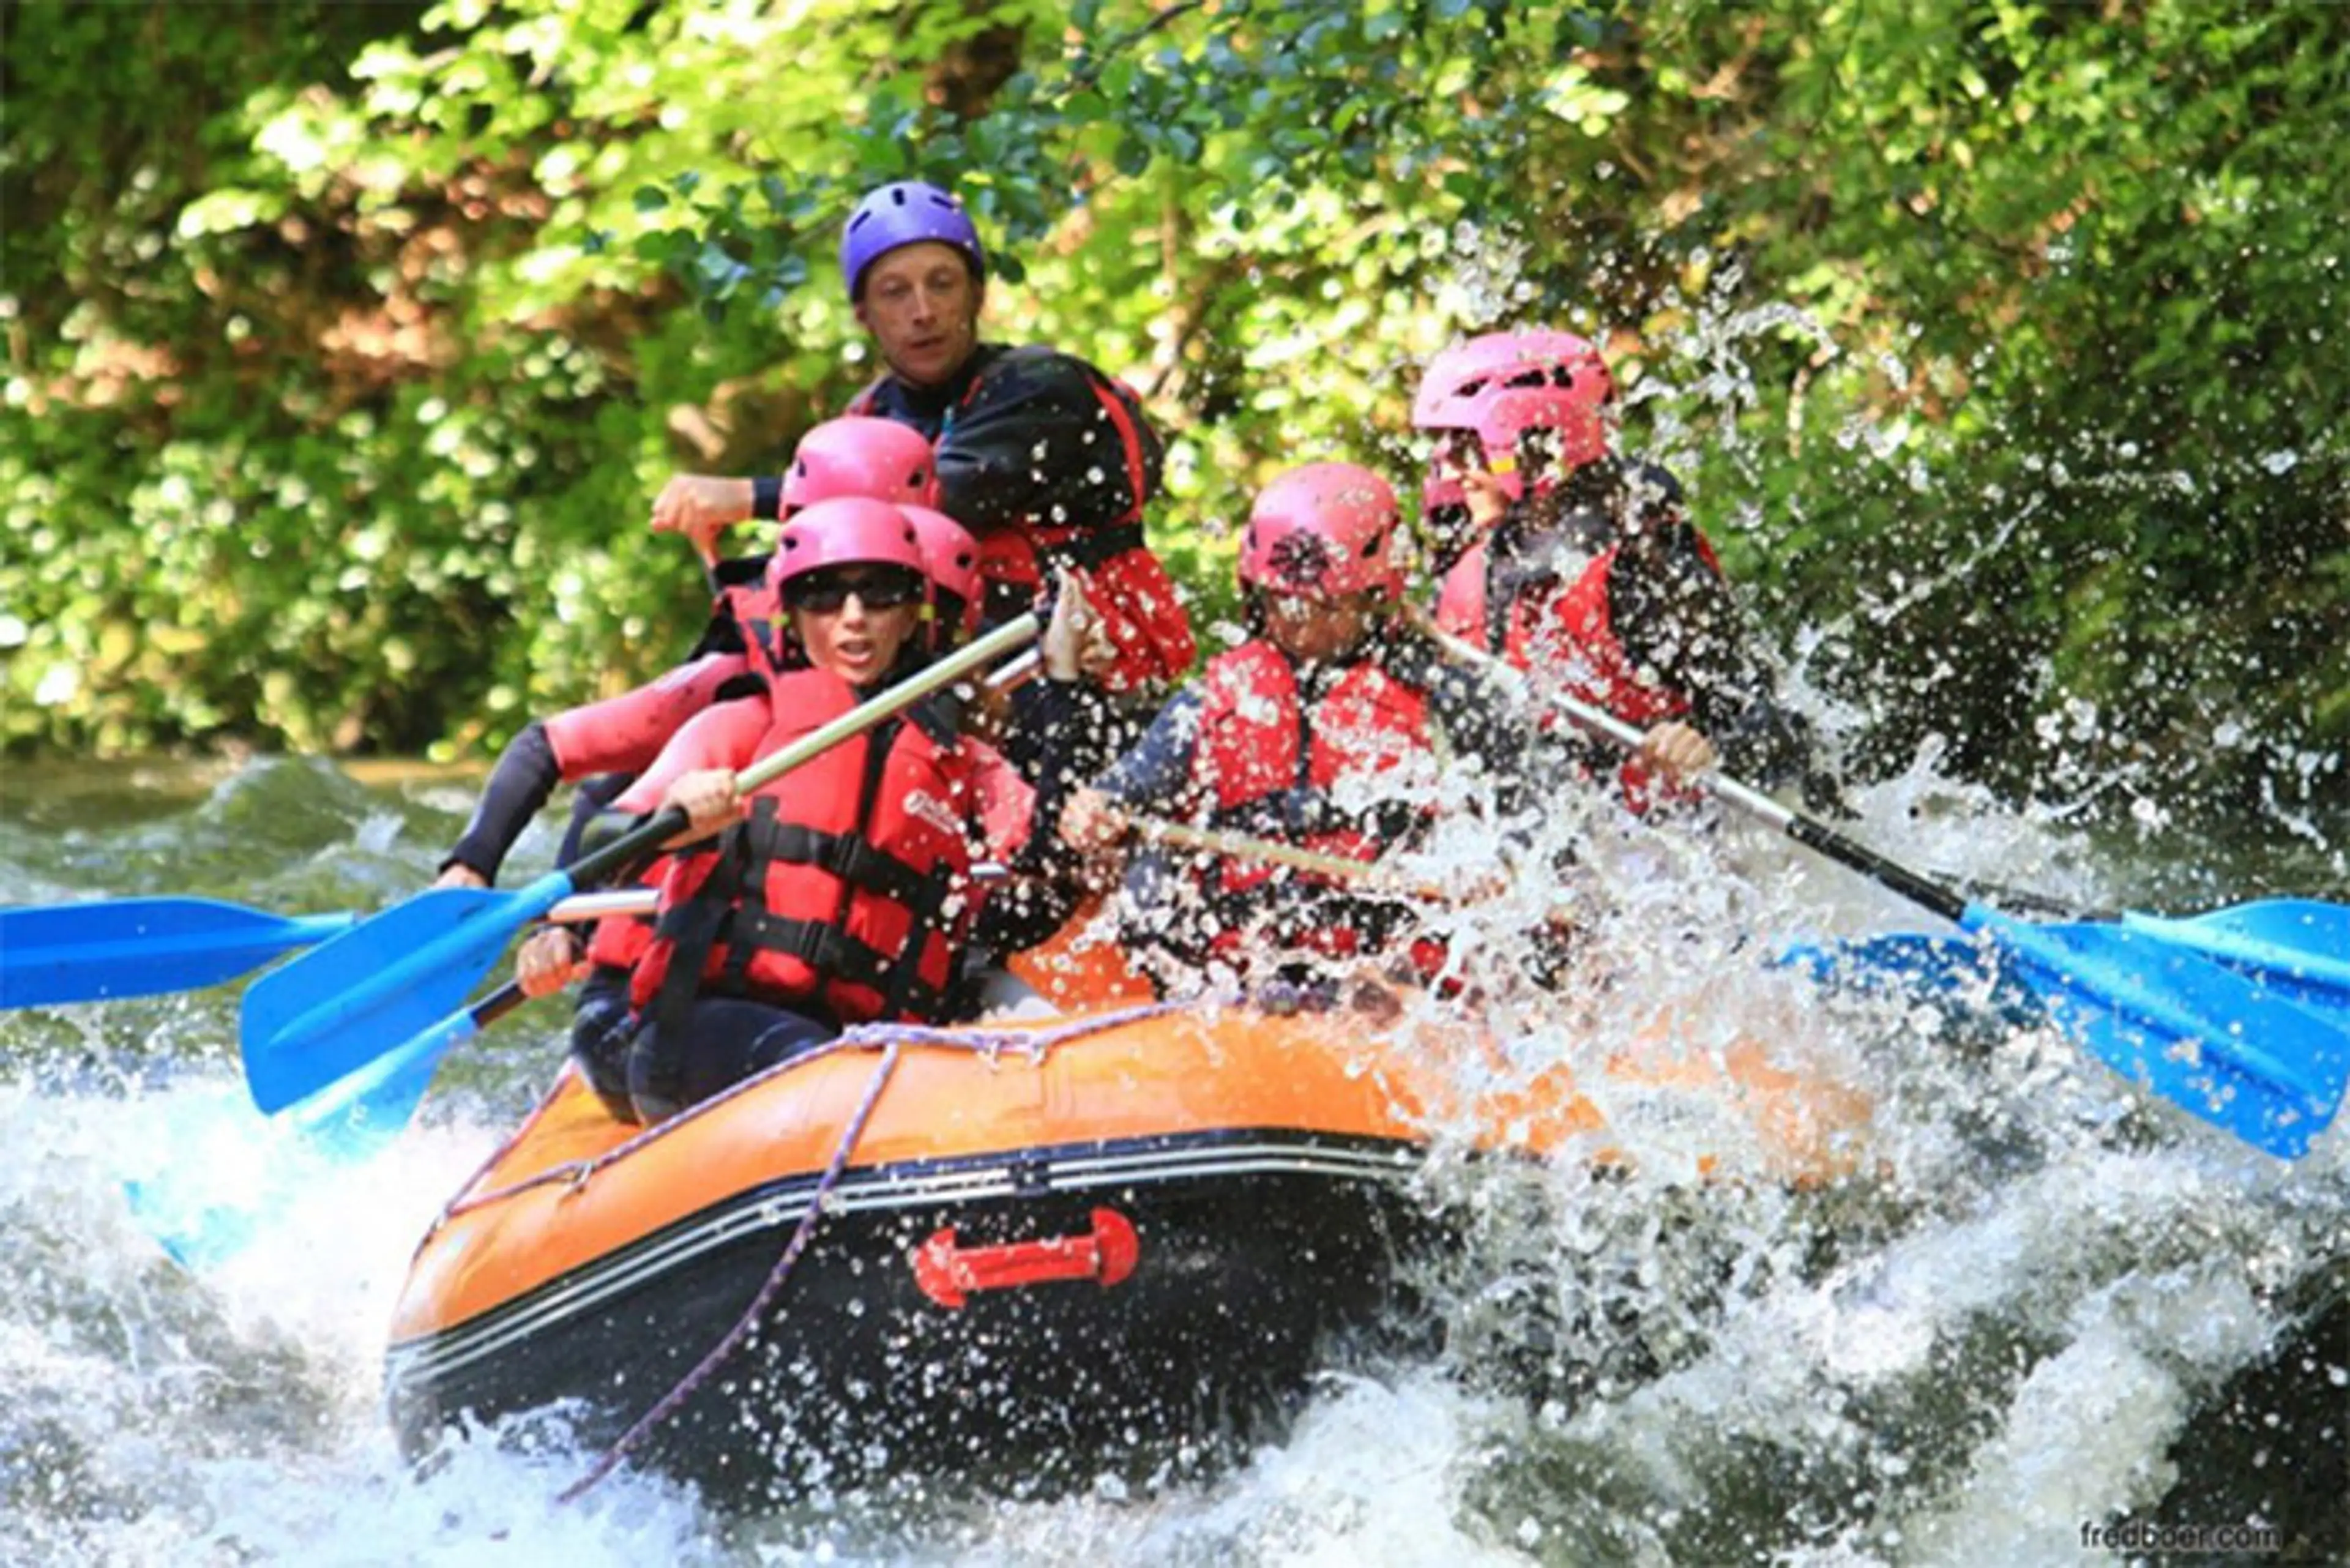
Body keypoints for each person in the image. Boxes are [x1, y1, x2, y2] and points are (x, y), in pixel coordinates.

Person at [433, 417, 957, 1117]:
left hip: (825, 992)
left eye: (888, 567)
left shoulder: (950, 679)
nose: (857, 611)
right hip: (663, 946)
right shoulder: (736, 686)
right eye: (833, 584)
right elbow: (562, 762)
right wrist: (498, 882)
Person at [649, 179, 1192, 764]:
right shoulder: (868, 416)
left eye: (942, 284)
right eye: (895, 292)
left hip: (1085, 669)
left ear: (976, 295)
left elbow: (930, 498)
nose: (923, 312)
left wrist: (746, 496)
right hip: (957, 668)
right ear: (864, 314)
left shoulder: (1040, 387)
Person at [622, 496, 1092, 1123]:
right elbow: (613, 842)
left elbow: (1047, 858)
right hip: (708, 1033)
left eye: (879, 596)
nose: (853, 619)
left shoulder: (957, 761)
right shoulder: (745, 726)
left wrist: (1062, 685)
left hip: (867, 1045)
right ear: (790, 616)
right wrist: (676, 818)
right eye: (824, 597)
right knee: (845, 1080)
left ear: (912, 615)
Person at [1057, 462, 1554, 988]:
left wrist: (1502, 869)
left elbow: (1532, 822)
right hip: (1245, 980)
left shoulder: (1443, 698)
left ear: (1376, 595)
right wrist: (1096, 810)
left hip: (1393, 979)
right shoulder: (1213, 700)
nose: (1302, 621)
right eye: (1282, 602)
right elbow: (1128, 788)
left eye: (1326, 606)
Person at [1413, 329, 1815, 799]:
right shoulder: (1482, 569)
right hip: (1575, 844)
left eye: (1466, 449)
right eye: (1443, 452)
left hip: (1690, 838)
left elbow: (1776, 734)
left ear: (1532, 438)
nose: (1452, 473)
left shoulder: (1643, 564)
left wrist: (1708, 751)